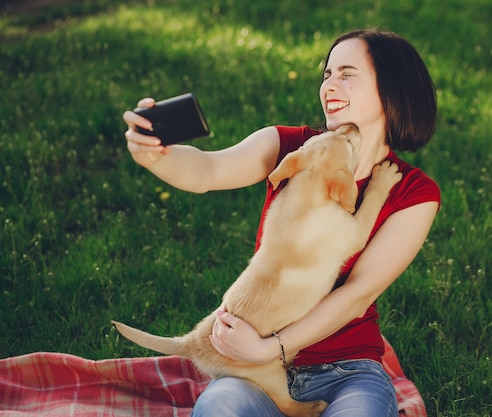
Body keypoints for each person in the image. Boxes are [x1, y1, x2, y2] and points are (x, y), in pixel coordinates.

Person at [123, 29, 440, 417]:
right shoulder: (292, 148)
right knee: (219, 408)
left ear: (392, 90)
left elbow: (357, 295)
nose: (329, 84)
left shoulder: (414, 192)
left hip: (347, 369)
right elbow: (208, 170)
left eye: (347, 73)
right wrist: (156, 156)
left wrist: (270, 348)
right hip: (250, 370)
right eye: (326, 74)